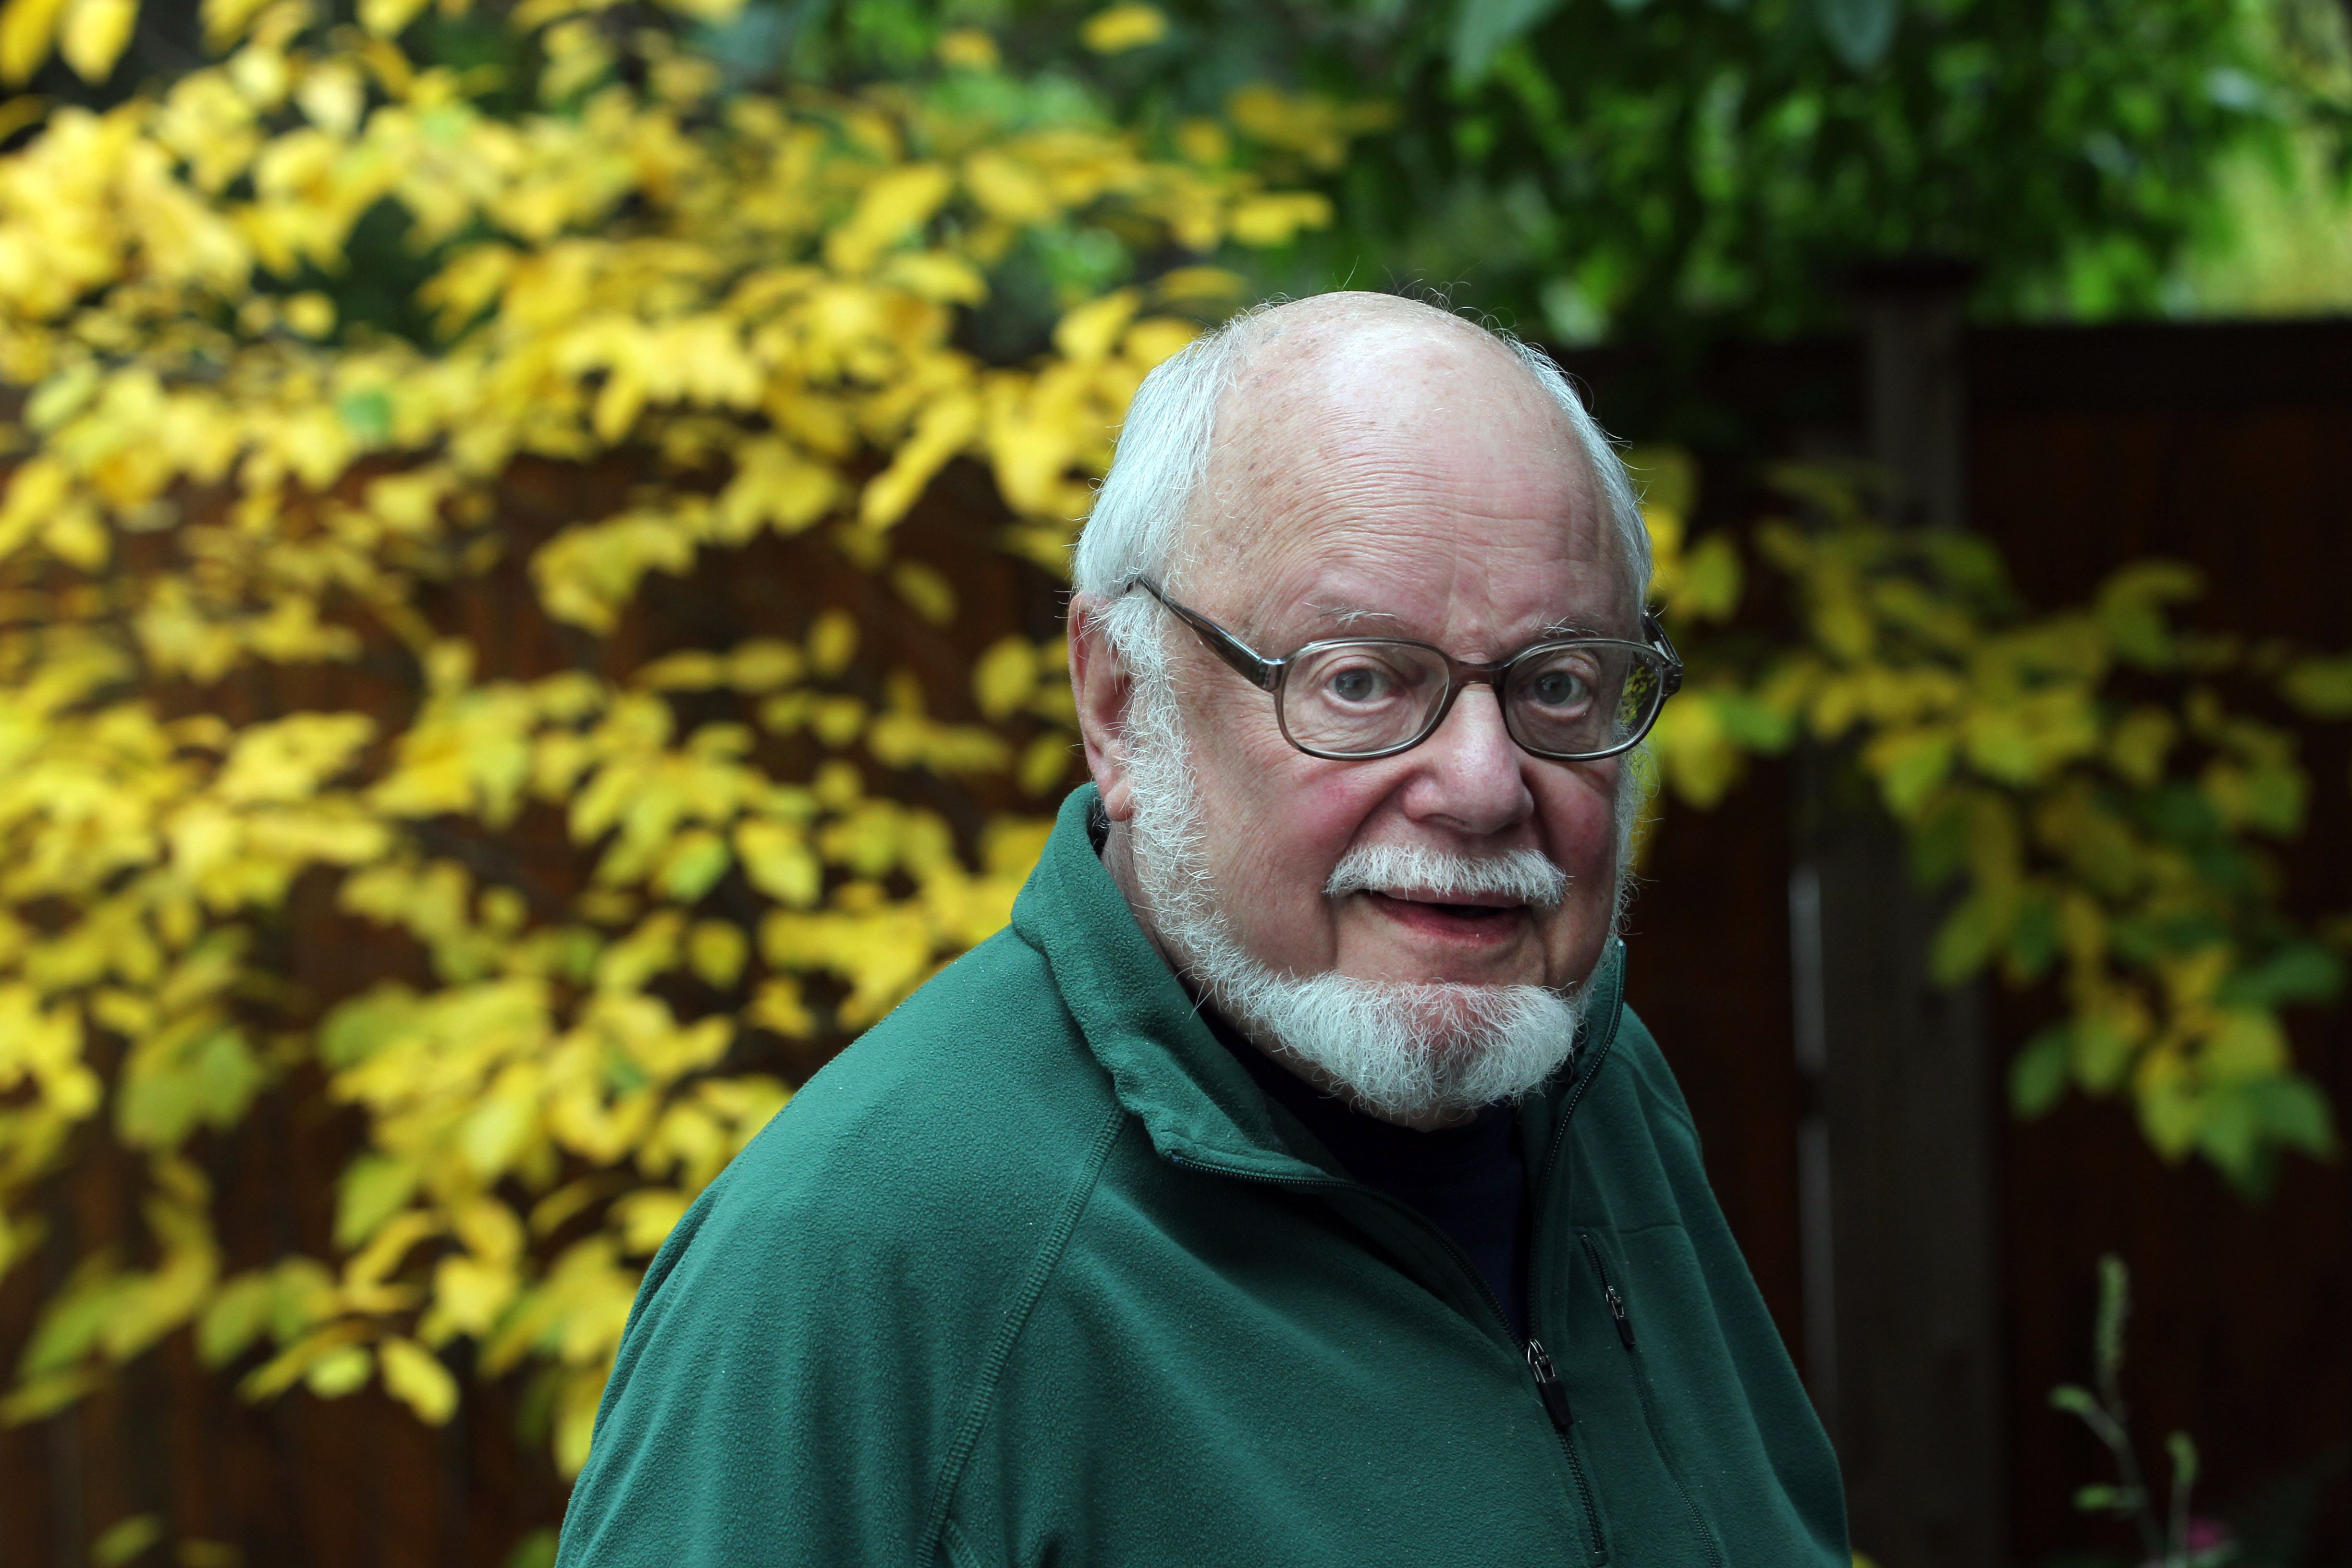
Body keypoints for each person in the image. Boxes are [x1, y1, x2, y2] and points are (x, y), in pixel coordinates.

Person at [556, 293, 1849, 1565]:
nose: (1482, 780)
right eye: (1357, 680)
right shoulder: (865, 1265)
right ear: (1121, 705)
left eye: (1558, 683)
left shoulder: (1598, 1093)